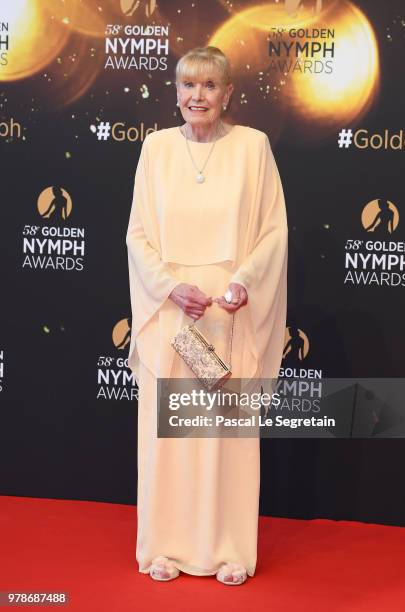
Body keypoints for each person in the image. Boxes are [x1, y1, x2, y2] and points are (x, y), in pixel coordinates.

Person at [126, 46, 288, 585]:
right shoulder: (155, 150)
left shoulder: (253, 148)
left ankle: (229, 550)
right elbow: (139, 236)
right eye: (188, 86)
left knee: (226, 438)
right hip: (175, 314)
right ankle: (164, 548)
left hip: (228, 313)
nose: (198, 96)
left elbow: (272, 231)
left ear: (227, 94)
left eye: (209, 86)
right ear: (175, 94)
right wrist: (171, 289)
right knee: (170, 442)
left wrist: (243, 281)